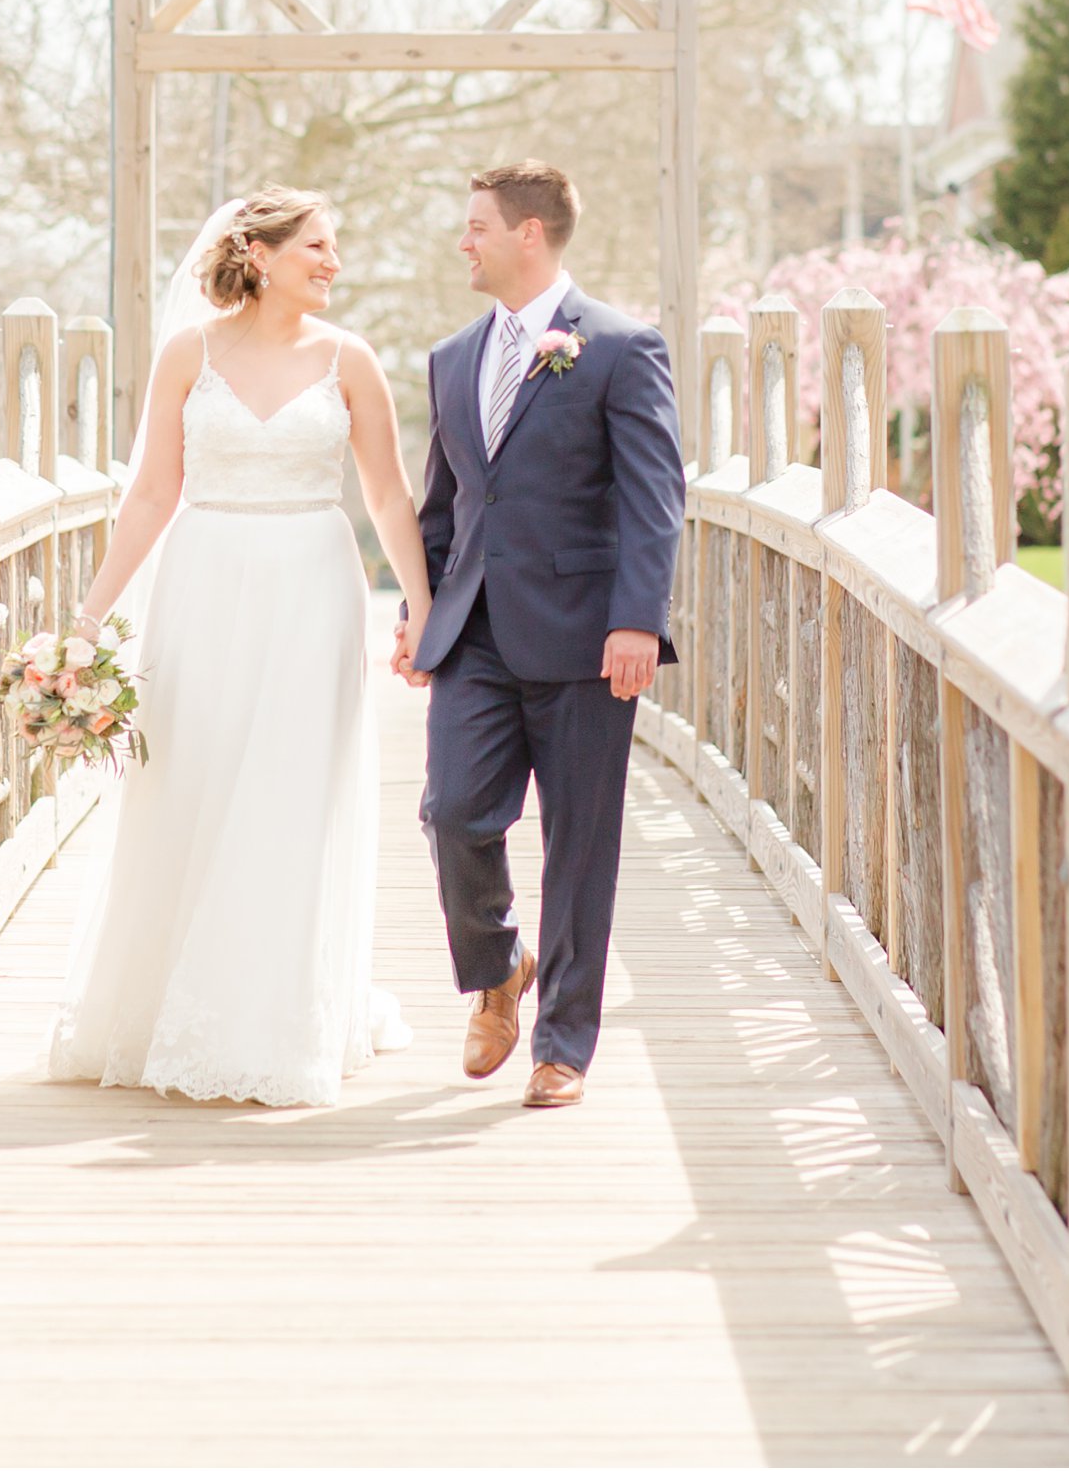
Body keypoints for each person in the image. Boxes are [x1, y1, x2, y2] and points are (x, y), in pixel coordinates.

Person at [46, 187, 427, 1107]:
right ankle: (171, 1003)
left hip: (312, 582)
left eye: (335, 247)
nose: (334, 262)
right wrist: (87, 619)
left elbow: (386, 496)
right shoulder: (191, 353)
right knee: (195, 777)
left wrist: (423, 610)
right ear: (257, 254)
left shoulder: (351, 359)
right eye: (317, 246)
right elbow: (149, 495)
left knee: (295, 789)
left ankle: (282, 1015)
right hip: (206, 579)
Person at [395, 162, 685, 1109]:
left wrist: (639, 617)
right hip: (473, 633)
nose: (463, 241)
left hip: (585, 639)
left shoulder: (620, 346)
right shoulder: (449, 359)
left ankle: (563, 1043)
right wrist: (417, 610)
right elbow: (443, 511)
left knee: (580, 844)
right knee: (452, 810)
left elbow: (654, 498)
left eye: (477, 225)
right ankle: (496, 967)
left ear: (530, 233)